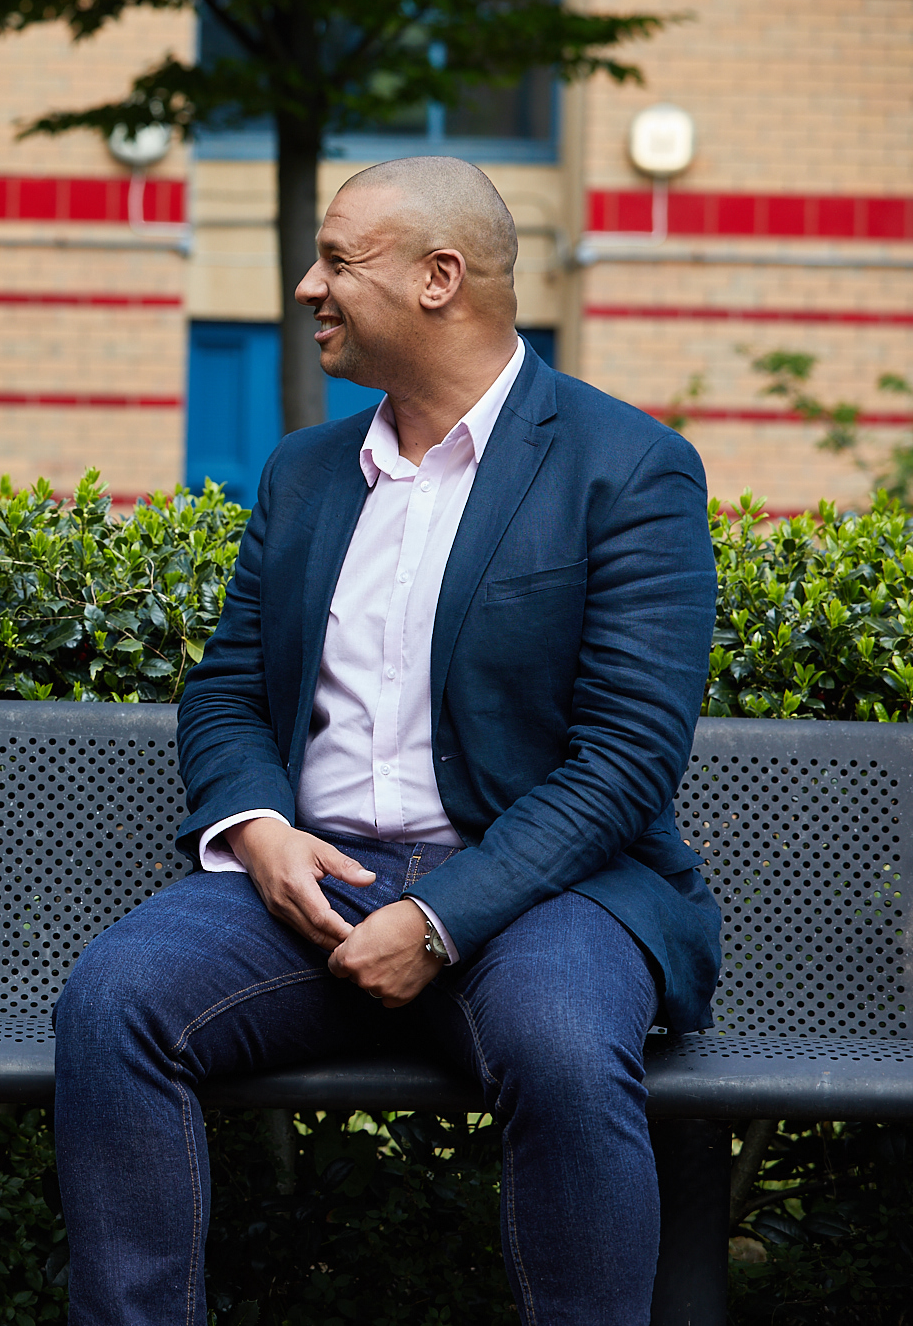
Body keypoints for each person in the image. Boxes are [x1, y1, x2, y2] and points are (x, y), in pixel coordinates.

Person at [53, 156, 720, 1325]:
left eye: (338, 260)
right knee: (113, 1003)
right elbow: (222, 693)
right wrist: (257, 830)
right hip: (316, 882)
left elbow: (623, 757)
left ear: (437, 279)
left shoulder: (625, 469)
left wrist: (442, 915)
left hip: (536, 894)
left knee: (564, 1048)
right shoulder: (306, 472)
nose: (308, 284)